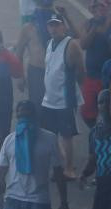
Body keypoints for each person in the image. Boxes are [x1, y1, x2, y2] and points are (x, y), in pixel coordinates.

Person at [40, 14, 85, 180]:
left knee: (66, 135)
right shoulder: (49, 43)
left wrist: (76, 87)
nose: (54, 28)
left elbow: (81, 70)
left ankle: (69, 167)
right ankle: (59, 164)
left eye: (57, 25)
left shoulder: (70, 44)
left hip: (64, 98)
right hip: (49, 97)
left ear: (63, 27)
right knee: (51, 134)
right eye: (51, 25)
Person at [16, 0, 75, 110]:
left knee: (59, 108)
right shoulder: (29, 27)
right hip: (37, 72)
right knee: (39, 108)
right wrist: (20, 77)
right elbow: (19, 53)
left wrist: (67, 17)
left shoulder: (59, 25)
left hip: (57, 72)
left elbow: (75, 36)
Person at [79, 0, 111, 128]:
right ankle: (96, 133)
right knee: (87, 111)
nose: (98, 10)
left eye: (102, 7)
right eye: (95, 7)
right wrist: (94, 28)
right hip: (92, 75)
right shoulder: (88, 24)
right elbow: (83, 44)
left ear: (107, 8)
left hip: (110, 76)